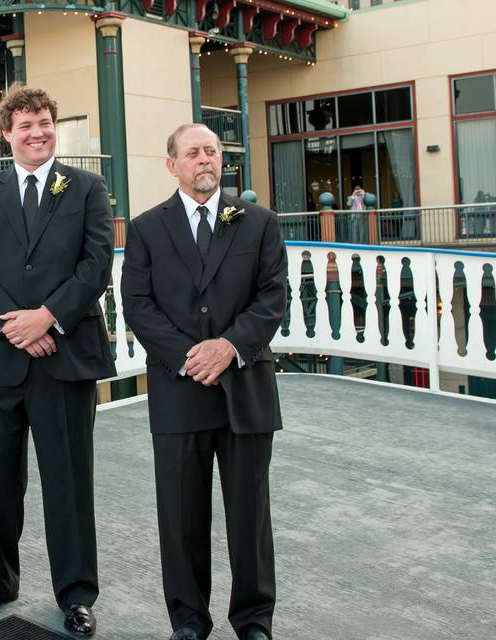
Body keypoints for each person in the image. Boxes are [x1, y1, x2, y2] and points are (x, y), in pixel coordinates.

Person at [0, 84, 116, 637]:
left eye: (44, 122)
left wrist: (46, 317)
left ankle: (76, 593)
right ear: (6, 134)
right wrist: (17, 326)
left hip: (64, 357)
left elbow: (96, 265)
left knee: (69, 481)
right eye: (24, 125)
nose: (37, 132)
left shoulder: (89, 188)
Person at [121, 123, 287, 640]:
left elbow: (272, 298)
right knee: (181, 519)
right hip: (179, 392)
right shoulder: (147, 229)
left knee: (249, 519)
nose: (205, 160)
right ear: (172, 165)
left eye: (212, 151)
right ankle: (188, 623)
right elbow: (138, 305)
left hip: (245, 392)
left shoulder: (259, 222)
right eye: (193, 153)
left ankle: (254, 621)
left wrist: (229, 347)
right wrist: (190, 358)